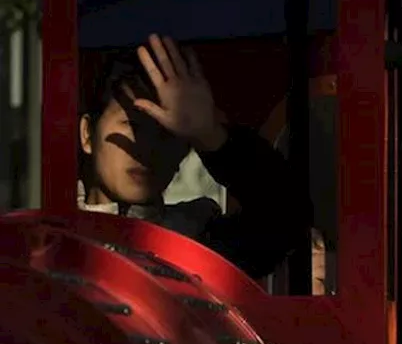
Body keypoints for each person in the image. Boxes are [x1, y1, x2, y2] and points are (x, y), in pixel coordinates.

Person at [77, 34, 310, 280]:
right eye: (132, 125)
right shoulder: (49, 236)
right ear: (87, 135)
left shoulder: (198, 239)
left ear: (182, 151)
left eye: (165, 133)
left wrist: (210, 135)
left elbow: (287, 217)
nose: (147, 146)